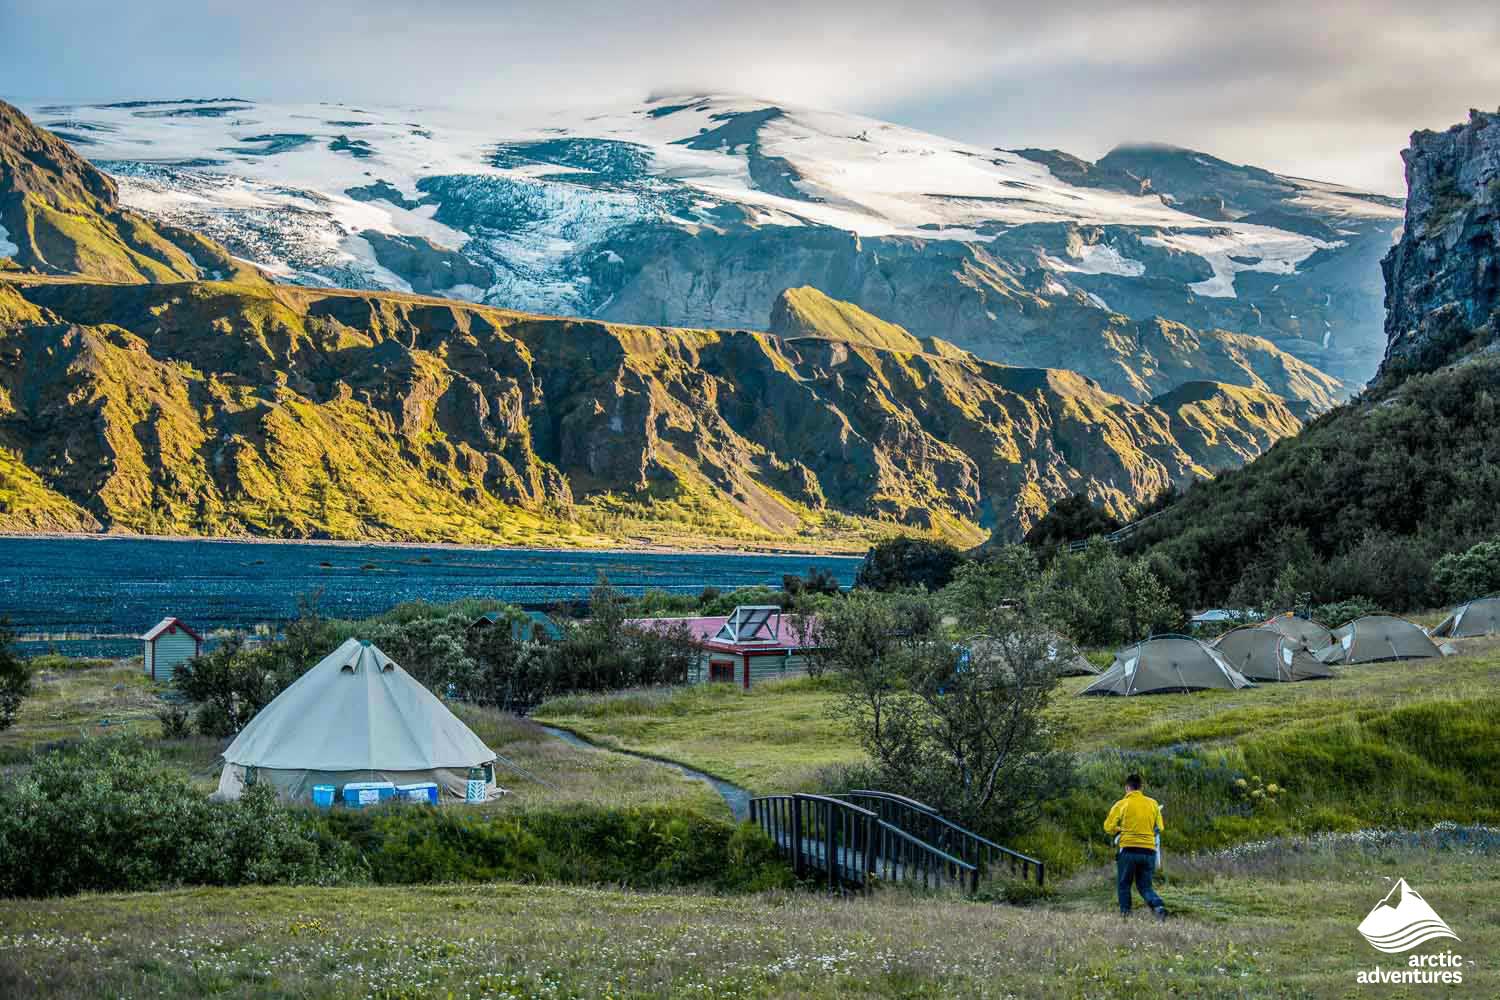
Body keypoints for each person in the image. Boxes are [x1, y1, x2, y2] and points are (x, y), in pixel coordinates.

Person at [1103, 773, 1166, 920]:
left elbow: (1108, 827)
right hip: (1149, 851)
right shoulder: (1153, 803)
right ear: (1141, 787)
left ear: (1127, 788)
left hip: (1129, 851)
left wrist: (1119, 830)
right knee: (1145, 886)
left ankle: (1126, 915)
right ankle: (1158, 906)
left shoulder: (1122, 804)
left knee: (1124, 884)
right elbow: (1160, 828)